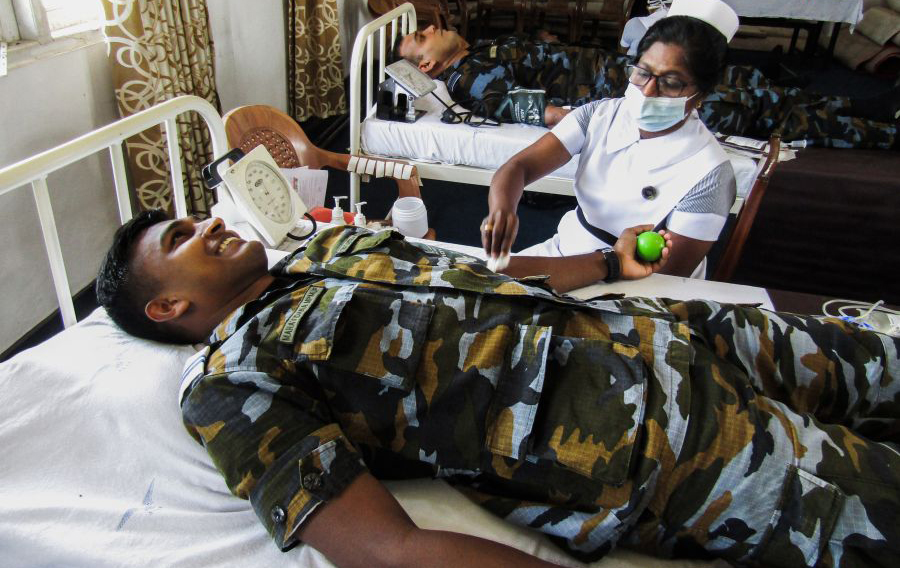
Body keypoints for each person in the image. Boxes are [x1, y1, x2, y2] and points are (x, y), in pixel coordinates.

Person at [96, 210, 899, 568]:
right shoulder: (229, 385)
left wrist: (608, 269)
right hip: (678, 446)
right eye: (181, 238)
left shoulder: (331, 247)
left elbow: (490, 279)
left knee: (884, 360)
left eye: (195, 216)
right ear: (169, 306)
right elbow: (383, 549)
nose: (208, 224)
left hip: (686, 333)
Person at [483, 0, 741, 280]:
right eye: (642, 73)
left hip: (640, 282)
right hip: (567, 249)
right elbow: (520, 167)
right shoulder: (599, 116)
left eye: (670, 83)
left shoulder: (709, 174)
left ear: (701, 94)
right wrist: (503, 208)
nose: (648, 91)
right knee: (487, 288)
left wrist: (604, 265)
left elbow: (668, 278)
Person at [395, 7, 900, 150]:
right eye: (421, 36)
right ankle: (876, 130)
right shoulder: (468, 78)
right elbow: (527, 108)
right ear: (427, 67)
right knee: (750, 109)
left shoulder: (480, 49)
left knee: (749, 81)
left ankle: (864, 107)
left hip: (636, 70)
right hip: (639, 92)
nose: (431, 27)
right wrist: (601, 119)